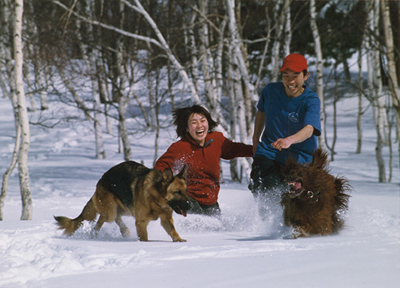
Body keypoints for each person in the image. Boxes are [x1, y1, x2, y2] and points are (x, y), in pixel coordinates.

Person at [249, 53, 321, 208]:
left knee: (297, 199)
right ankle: (265, 224)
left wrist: (290, 140)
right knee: (262, 186)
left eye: (296, 76)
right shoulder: (270, 91)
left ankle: (289, 226)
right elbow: (261, 112)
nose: (291, 81)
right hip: (270, 151)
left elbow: (309, 129)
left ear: (305, 75)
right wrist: (255, 140)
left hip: (300, 158)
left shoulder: (311, 100)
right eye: (286, 75)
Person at [154, 105, 253, 217]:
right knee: (203, 229)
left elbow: (234, 149)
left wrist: (256, 150)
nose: (200, 125)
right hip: (188, 199)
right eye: (194, 122)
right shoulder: (180, 147)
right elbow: (161, 166)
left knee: (219, 230)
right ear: (186, 127)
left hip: (210, 201)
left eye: (202, 121)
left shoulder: (217, 139)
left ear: (208, 123)